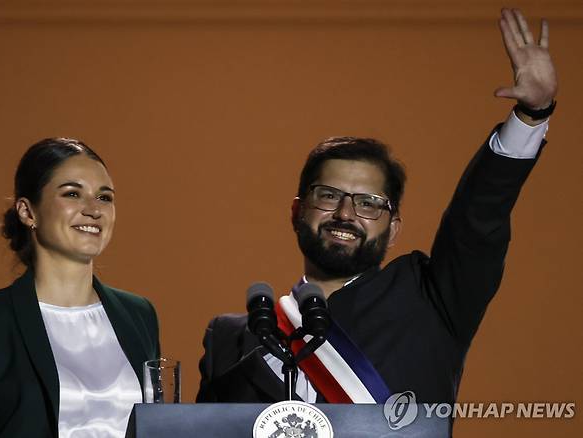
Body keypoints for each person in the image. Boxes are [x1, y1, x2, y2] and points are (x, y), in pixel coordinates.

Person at [196, 8, 557, 404]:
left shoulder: (430, 301)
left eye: (368, 203)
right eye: (329, 195)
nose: (346, 214)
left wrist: (530, 116)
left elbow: (477, 220)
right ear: (297, 211)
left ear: (393, 227)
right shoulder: (234, 336)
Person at [0, 138, 160, 437]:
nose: (93, 209)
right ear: (28, 212)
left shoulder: (139, 314)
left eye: (104, 197)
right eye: (72, 194)